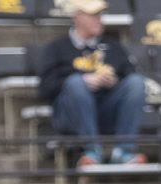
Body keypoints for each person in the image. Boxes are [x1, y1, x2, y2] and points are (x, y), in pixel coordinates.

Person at [38, 0, 146, 166]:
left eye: (100, 15)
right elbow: (45, 89)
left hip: (106, 112)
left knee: (136, 82)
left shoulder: (113, 46)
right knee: (76, 83)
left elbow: (130, 76)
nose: (99, 19)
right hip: (70, 115)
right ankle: (92, 150)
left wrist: (113, 82)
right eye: (93, 15)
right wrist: (85, 80)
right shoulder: (56, 48)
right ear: (77, 17)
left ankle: (124, 151)